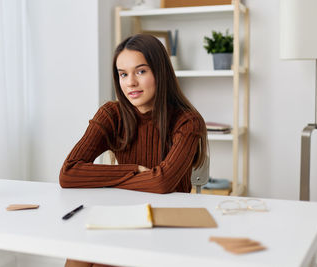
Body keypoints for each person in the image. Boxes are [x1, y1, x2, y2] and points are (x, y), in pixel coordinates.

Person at [60, 33, 207, 267]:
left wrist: (107, 178)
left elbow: (162, 183)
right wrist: (137, 171)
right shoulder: (111, 114)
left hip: (168, 223)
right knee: (79, 250)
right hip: (121, 215)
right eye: (123, 74)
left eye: (141, 71)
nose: (130, 83)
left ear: (160, 72)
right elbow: (69, 173)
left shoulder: (187, 121)